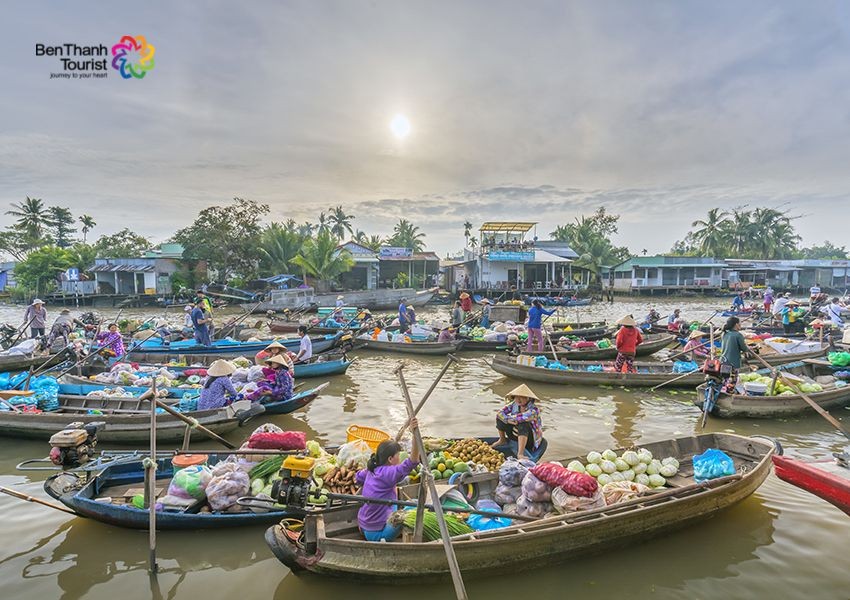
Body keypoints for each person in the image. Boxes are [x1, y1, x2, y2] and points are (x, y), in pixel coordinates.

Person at [355, 427, 420, 542]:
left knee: (393, 499)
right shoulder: (388, 473)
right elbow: (412, 461)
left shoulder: (371, 469)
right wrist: (415, 435)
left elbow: (358, 477)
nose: (400, 457)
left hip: (363, 525)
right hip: (378, 534)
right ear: (390, 459)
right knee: (414, 505)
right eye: (398, 455)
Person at [491, 384, 545, 462]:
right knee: (500, 419)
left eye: (522, 397)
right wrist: (507, 420)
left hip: (530, 439)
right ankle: (502, 440)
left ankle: (520, 453)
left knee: (523, 423)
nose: (518, 400)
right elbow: (500, 413)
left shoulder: (534, 410)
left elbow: (523, 418)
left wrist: (508, 419)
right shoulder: (514, 404)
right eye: (516, 397)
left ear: (528, 398)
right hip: (517, 432)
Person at [720, 316, 750, 393]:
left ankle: (723, 392)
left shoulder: (724, 333)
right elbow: (744, 348)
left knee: (724, 379)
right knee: (732, 381)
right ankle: (729, 394)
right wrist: (748, 349)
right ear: (736, 324)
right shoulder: (738, 335)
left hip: (723, 360)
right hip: (733, 362)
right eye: (740, 323)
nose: (741, 324)